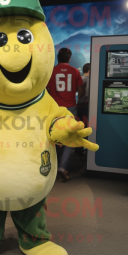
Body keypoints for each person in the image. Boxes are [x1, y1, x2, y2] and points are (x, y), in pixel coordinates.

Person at [46, 48, 85, 181]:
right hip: (70, 108)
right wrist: (78, 100)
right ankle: (63, 166)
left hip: (55, 109)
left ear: (58, 57)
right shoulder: (75, 71)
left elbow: (45, 90)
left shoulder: (51, 71)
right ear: (69, 58)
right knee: (69, 137)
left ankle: (55, 164)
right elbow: (81, 89)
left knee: (54, 136)